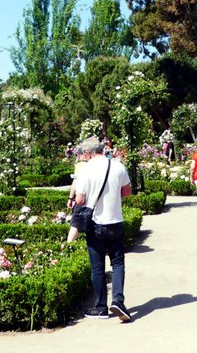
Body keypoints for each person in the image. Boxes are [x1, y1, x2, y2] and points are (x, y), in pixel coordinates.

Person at [76, 137, 133, 322]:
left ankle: (101, 307)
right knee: (117, 262)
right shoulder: (118, 165)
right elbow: (127, 192)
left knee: (97, 266)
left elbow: (80, 200)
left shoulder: (86, 170)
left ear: (87, 153)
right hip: (115, 220)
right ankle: (118, 301)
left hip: (94, 223)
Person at [66, 139, 93, 243]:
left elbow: (75, 182)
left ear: (82, 155)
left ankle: (69, 245)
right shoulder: (94, 164)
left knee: (75, 223)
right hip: (93, 197)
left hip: (81, 197)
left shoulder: (81, 165)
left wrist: (70, 198)